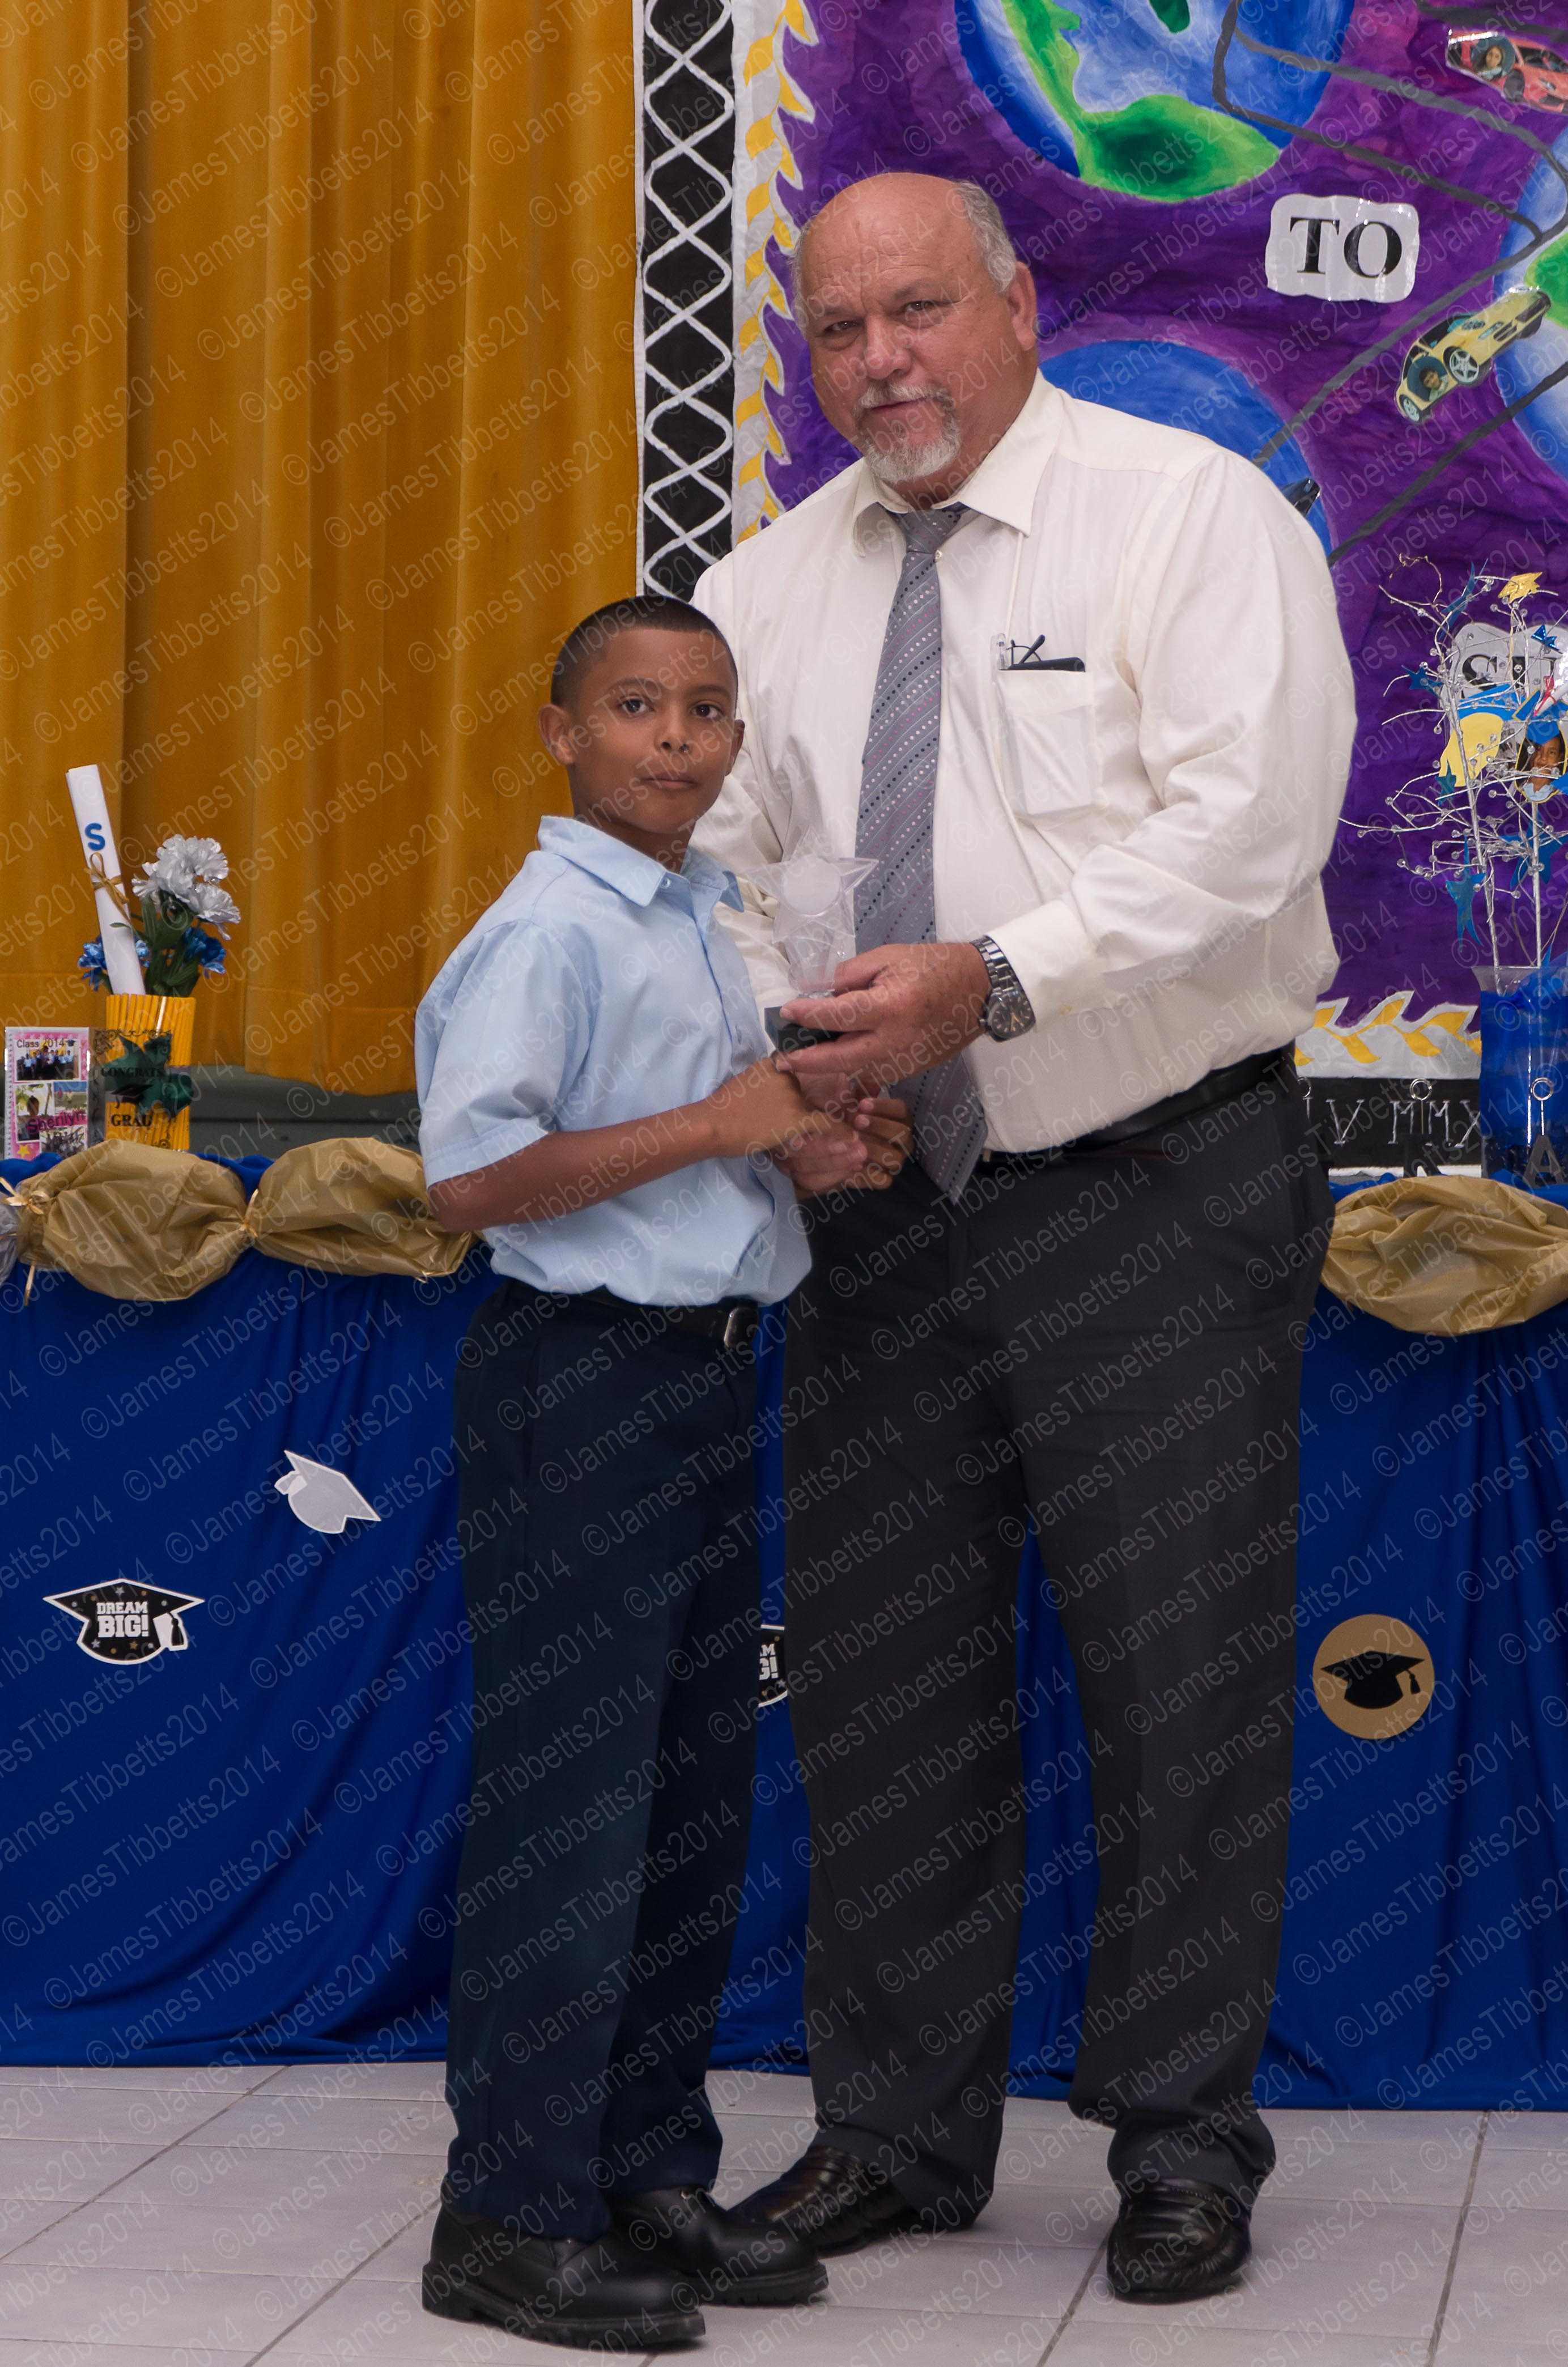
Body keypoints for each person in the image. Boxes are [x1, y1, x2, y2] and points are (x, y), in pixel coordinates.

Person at [691, 173, 1355, 2302]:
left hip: (1153, 1182)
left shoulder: (1189, 517)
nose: (880, 360)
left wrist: (992, 980)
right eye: (838, 328)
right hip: (881, 1209)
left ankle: (1180, 2142)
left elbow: (1250, 827)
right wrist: (796, 1065)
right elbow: (721, 873)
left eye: (918, 310)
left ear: (1019, 303)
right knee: (884, 1683)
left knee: (1183, 1679)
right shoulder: (762, 587)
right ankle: (894, 2132)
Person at [415, 593, 910, 2350]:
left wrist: (802, 1160)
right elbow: (472, 1179)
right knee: (572, 1806)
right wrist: (724, 1124)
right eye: (635, 706)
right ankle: (508, 2211)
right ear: (562, 733)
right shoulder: (548, 929)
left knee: (686, 1798)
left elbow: (696, 1158)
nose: (675, 737)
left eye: (705, 708)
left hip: (705, 1374)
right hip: (582, 1384)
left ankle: (644, 2170)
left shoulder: (705, 912)